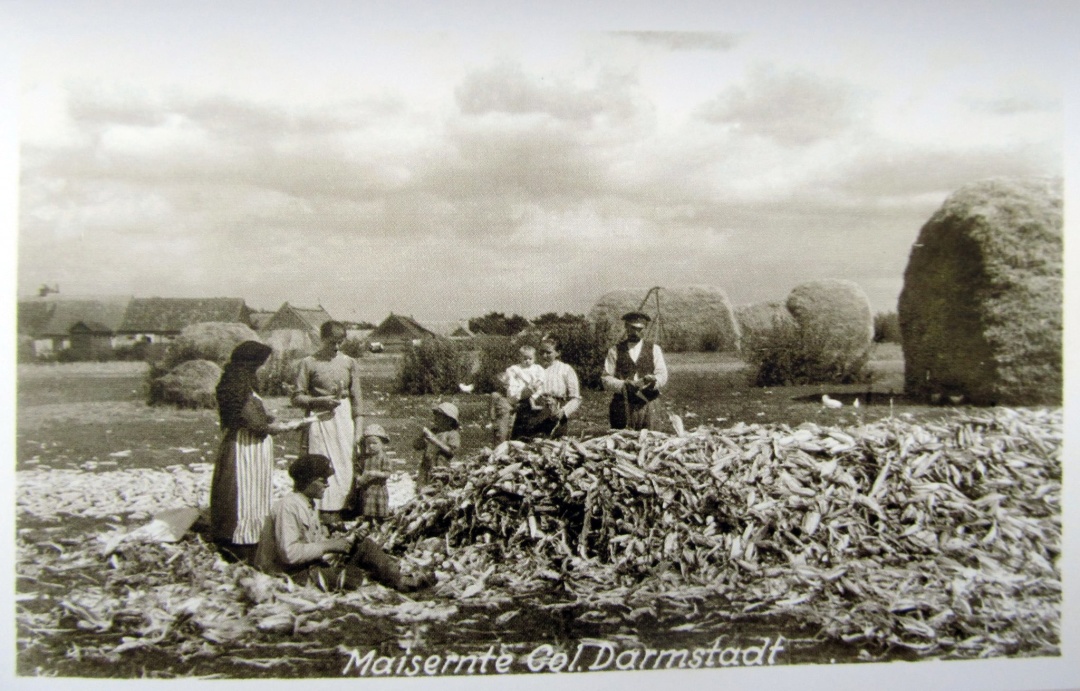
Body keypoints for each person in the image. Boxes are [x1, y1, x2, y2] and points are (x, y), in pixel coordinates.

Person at [253, 454, 433, 592]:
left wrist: (345, 540)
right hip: (289, 575)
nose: (326, 485)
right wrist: (329, 545)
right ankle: (377, 581)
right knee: (353, 577)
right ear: (308, 481)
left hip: (307, 566)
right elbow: (289, 554)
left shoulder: (306, 503)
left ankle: (399, 580)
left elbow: (312, 542)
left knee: (365, 546)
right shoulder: (288, 507)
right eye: (322, 480)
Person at [210, 340, 310, 564]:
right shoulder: (239, 388)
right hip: (244, 449)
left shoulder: (239, 384)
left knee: (252, 494)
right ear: (250, 363)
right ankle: (243, 545)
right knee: (245, 495)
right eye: (260, 364)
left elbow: (256, 417)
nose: (262, 368)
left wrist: (273, 418)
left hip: (249, 447)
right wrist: (292, 425)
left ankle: (247, 539)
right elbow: (256, 425)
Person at [292, 320, 363, 528]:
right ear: (322, 339)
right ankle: (324, 511)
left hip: (344, 419)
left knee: (346, 462)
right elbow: (296, 397)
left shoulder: (349, 363)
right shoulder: (308, 363)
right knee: (321, 462)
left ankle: (344, 508)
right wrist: (318, 401)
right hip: (319, 419)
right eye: (333, 342)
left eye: (341, 342)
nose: (337, 347)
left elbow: (357, 399)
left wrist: (358, 429)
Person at [601, 312, 668, 431]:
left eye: (640, 329)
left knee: (650, 440)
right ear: (626, 326)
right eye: (633, 328)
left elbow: (662, 374)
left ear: (645, 329)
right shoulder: (615, 350)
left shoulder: (654, 349)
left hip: (649, 404)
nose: (636, 332)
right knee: (622, 442)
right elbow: (606, 378)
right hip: (623, 405)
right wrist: (623, 385)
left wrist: (653, 382)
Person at [510, 337, 581, 440]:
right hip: (529, 413)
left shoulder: (565, 369)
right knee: (522, 446)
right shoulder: (531, 368)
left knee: (550, 447)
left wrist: (563, 412)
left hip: (553, 413)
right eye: (541, 352)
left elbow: (576, 398)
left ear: (558, 353)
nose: (544, 356)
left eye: (548, 353)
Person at [414, 402, 461, 487]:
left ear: (449, 419)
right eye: (435, 415)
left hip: (441, 468)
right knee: (422, 490)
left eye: (439, 416)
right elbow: (417, 446)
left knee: (437, 489)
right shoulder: (433, 431)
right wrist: (421, 437)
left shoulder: (452, 434)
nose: (435, 418)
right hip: (426, 467)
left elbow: (452, 451)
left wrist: (434, 440)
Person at [353, 424, 392, 523]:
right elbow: (358, 470)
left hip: (379, 489)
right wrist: (358, 477)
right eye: (368, 444)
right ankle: (367, 526)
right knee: (367, 512)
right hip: (367, 490)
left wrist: (375, 473)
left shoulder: (384, 458)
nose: (371, 446)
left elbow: (387, 474)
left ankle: (379, 526)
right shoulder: (364, 458)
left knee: (379, 512)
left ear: (382, 444)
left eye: (374, 443)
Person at [506, 345, 546, 411]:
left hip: (534, 386)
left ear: (534, 358)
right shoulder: (517, 368)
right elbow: (510, 375)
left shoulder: (537, 368)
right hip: (522, 388)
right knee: (514, 390)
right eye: (525, 359)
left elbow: (541, 377)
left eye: (530, 359)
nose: (527, 361)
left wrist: (537, 384)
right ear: (520, 358)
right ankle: (517, 404)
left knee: (540, 390)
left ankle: (532, 403)